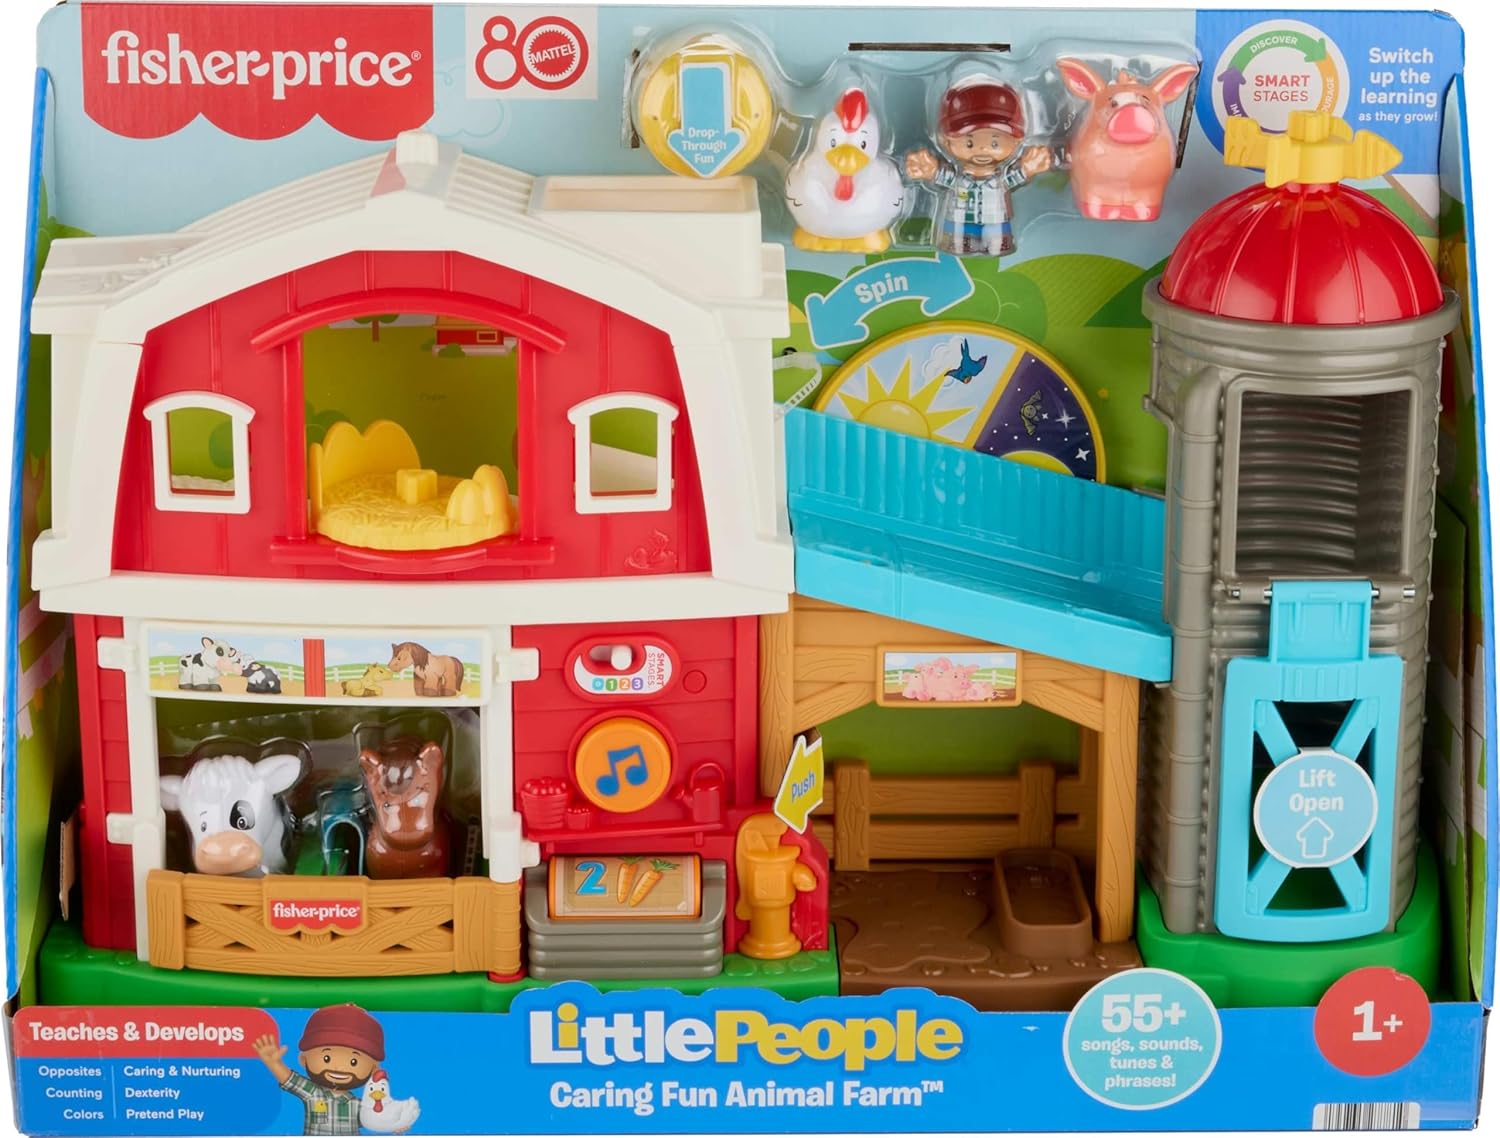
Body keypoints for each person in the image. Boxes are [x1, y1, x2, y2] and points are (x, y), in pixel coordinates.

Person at [906, 77, 1055, 257]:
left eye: (994, 143)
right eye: (969, 143)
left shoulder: (1000, 180)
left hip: (995, 221)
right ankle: (961, 244)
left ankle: (994, 245)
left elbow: (1014, 178)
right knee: (960, 243)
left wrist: (1028, 168)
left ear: (1016, 142)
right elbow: (944, 177)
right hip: (959, 223)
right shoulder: (959, 179)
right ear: (946, 141)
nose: (983, 149)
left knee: (996, 244)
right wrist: (930, 170)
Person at [254, 1003, 396, 1136]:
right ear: (303, 1059)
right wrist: (274, 1063)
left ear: (373, 1069)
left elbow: (377, 1120)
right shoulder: (313, 1093)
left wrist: (396, 1123)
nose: (338, 1068)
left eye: (353, 1062)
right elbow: (290, 1079)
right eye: (326, 1058)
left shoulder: (359, 1105)